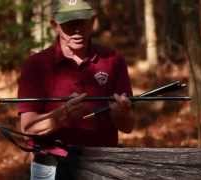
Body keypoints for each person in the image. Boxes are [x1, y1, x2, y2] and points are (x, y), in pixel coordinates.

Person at [17, 0, 135, 179]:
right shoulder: (36, 65)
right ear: (54, 25)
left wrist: (122, 113)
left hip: (104, 162)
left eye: (82, 22)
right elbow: (28, 128)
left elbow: (127, 127)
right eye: (69, 24)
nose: (77, 30)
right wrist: (61, 116)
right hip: (50, 165)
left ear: (93, 21)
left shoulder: (113, 60)